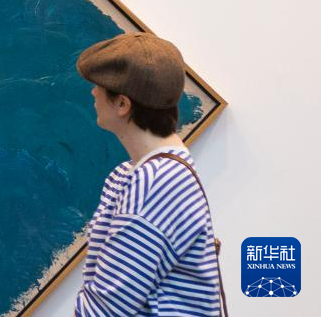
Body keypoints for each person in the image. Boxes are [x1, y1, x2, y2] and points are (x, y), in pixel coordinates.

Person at [73, 31, 226, 316]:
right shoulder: (141, 173)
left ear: (122, 104)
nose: (93, 93)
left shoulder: (155, 184)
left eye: (100, 87)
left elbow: (107, 308)